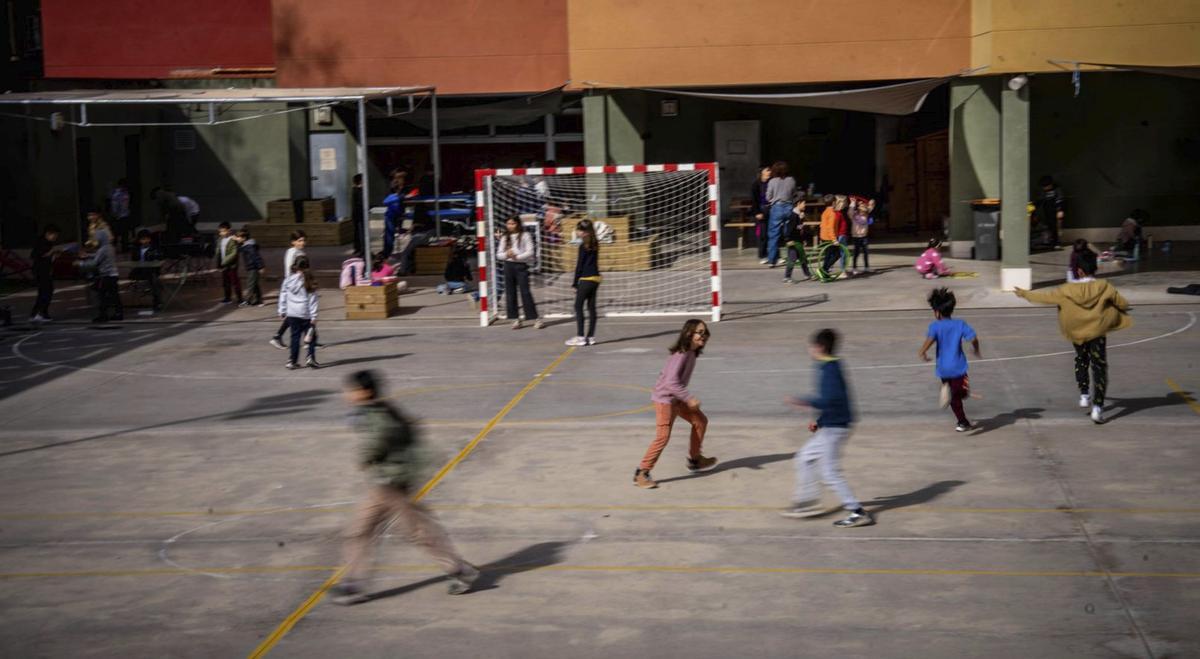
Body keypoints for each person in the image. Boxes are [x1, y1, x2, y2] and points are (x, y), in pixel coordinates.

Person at [328, 370, 479, 605]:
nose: (347, 394)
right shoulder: (381, 411)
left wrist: (365, 455)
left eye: (352, 390)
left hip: (393, 485)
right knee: (360, 530)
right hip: (382, 485)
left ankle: (460, 570)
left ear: (365, 392)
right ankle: (352, 584)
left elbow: (374, 446)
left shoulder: (381, 417)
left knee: (417, 532)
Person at [1013, 251, 1131, 424]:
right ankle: (1098, 408)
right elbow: (1123, 304)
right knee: (1099, 367)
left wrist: (1024, 293)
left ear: (1080, 271)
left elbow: (1044, 297)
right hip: (1097, 332)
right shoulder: (1105, 286)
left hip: (1077, 332)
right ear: (1095, 269)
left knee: (1081, 360)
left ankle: (1084, 394)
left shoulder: (1066, 289)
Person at [781, 329, 874, 527]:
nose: (809, 350)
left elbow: (829, 399)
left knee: (830, 472)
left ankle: (857, 512)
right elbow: (835, 401)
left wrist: (802, 401)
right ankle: (807, 502)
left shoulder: (830, 369)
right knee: (804, 458)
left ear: (820, 347)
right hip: (832, 424)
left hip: (836, 428)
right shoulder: (829, 365)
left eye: (811, 346)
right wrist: (820, 421)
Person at [633, 319, 717, 489]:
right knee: (662, 437)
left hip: (676, 399)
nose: (704, 335)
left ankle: (695, 460)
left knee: (700, 421)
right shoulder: (682, 354)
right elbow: (671, 382)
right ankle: (642, 472)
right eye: (700, 332)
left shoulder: (692, 353)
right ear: (689, 334)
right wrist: (689, 398)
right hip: (665, 400)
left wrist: (684, 398)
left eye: (705, 332)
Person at [918, 288, 981, 432]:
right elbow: (973, 338)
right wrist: (976, 349)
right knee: (961, 394)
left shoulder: (935, 326)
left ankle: (962, 421)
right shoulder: (960, 324)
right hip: (958, 368)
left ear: (937, 312)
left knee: (954, 399)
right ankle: (957, 394)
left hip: (943, 369)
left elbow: (930, 340)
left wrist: (922, 351)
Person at [498, 216, 543, 330]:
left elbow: (530, 252)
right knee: (510, 293)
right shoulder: (504, 237)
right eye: (508, 224)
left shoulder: (525, 235)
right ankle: (515, 319)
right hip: (508, 266)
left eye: (513, 223)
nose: (510, 226)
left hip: (521, 266)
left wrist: (517, 257)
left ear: (518, 224)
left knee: (525, 292)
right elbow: (499, 254)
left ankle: (536, 318)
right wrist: (506, 255)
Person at [278, 256, 320, 369]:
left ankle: (292, 360)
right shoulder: (309, 280)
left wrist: (282, 310)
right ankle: (310, 357)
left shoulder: (288, 280)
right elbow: (313, 299)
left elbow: (283, 295)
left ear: (295, 267)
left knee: (294, 337)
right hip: (305, 314)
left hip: (292, 313)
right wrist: (314, 315)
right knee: (312, 336)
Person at [566, 219, 601, 346]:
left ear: (586, 232)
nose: (577, 231)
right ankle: (591, 336)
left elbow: (579, 266)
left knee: (578, 306)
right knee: (591, 308)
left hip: (586, 279)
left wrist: (575, 283)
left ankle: (580, 336)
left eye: (580, 230)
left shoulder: (583, 246)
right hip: (596, 279)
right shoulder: (595, 243)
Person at [271, 231, 308, 350]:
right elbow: (289, 270)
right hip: (293, 286)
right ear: (293, 242)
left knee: (299, 313)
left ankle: (278, 337)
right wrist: (292, 286)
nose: (302, 243)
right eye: (299, 240)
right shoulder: (291, 252)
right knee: (298, 314)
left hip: (300, 284)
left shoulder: (301, 252)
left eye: (303, 240)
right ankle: (309, 340)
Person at [79, 225, 122, 323]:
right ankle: (119, 313)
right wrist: (89, 255)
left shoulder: (102, 249)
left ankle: (103, 315)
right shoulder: (110, 247)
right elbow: (100, 256)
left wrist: (81, 264)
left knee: (102, 295)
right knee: (114, 295)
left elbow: (95, 263)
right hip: (113, 274)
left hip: (105, 275)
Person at [764, 161, 797, 267]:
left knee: (774, 234)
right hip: (789, 207)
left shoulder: (772, 181)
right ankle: (792, 257)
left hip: (777, 208)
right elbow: (794, 194)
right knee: (789, 234)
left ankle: (772, 260)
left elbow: (768, 197)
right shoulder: (791, 180)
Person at [29, 224, 61, 322]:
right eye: (55, 235)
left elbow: (48, 257)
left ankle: (41, 313)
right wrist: (51, 252)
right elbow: (37, 255)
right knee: (44, 292)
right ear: (48, 234)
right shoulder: (41, 242)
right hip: (40, 271)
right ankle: (38, 313)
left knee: (48, 291)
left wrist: (54, 255)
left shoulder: (48, 243)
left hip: (46, 270)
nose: (56, 238)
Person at [129, 229, 163, 312]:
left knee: (154, 280)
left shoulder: (154, 249)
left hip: (151, 271)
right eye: (142, 239)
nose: (145, 241)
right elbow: (134, 260)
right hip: (139, 270)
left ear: (150, 239)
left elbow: (158, 260)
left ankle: (157, 301)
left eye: (146, 239)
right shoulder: (136, 249)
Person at [782, 200, 812, 283]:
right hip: (793, 241)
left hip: (798, 240)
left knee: (803, 258)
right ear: (798, 204)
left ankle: (807, 274)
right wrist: (788, 239)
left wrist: (803, 239)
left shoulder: (799, 215)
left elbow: (800, 228)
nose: (805, 205)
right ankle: (787, 277)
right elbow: (789, 229)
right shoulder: (793, 215)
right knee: (792, 258)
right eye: (804, 203)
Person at [820, 195, 849, 276]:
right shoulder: (832, 213)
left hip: (824, 236)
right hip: (830, 238)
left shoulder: (825, 211)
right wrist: (834, 239)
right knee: (837, 254)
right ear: (833, 203)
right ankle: (823, 270)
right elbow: (830, 228)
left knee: (828, 255)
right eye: (836, 202)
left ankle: (824, 273)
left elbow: (822, 225)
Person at [215, 222, 242, 305]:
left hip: (231, 265)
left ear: (228, 231)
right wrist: (219, 264)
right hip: (224, 265)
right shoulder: (220, 240)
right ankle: (227, 298)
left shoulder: (232, 239)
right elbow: (218, 252)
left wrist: (225, 261)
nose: (221, 233)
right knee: (226, 282)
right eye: (220, 231)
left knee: (235, 282)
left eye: (223, 231)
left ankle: (240, 298)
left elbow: (234, 252)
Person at [236, 228, 265, 307]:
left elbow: (256, 257)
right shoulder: (246, 245)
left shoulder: (250, 246)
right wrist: (237, 241)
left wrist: (261, 267)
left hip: (253, 268)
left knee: (250, 285)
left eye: (238, 237)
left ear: (244, 238)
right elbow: (239, 249)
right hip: (251, 268)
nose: (237, 238)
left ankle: (247, 301)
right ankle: (258, 301)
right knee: (255, 284)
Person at [750, 166, 772, 264]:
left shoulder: (771, 182)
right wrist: (757, 212)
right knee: (762, 234)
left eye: (770, 170)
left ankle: (774, 255)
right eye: (767, 170)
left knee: (772, 234)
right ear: (762, 172)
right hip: (760, 210)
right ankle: (762, 255)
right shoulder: (756, 184)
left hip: (771, 210)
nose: (769, 172)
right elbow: (754, 200)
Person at [1036, 175, 1065, 249]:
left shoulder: (1057, 189)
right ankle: (1049, 241)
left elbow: (1060, 199)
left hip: (1056, 211)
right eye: (1044, 187)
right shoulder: (1043, 191)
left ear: (1051, 184)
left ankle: (1057, 242)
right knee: (1048, 226)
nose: (1045, 188)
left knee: (1056, 227)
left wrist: (1060, 210)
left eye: (1046, 186)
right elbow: (1040, 200)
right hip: (1046, 211)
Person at [849, 197, 875, 275]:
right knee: (856, 253)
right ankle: (854, 268)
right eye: (862, 211)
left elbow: (871, 207)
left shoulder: (866, 214)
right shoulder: (853, 216)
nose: (863, 212)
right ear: (859, 210)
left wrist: (871, 202)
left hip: (864, 236)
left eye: (865, 211)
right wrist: (853, 203)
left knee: (866, 252)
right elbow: (850, 211)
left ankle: (866, 267)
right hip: (856, 237)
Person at [108, 179, 131, 251]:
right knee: (116, 233)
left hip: (125, 214)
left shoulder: (126, 193)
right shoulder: (117, 194)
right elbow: (115, 205)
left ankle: (125, 247)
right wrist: (115, 214)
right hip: (119, 216)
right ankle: (114, 248)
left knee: (125, 233)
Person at [351, 173, 366, 258]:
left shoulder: (354, 189)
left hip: (356, 214)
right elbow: (360, 203)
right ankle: (362, 249)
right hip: (359, 214)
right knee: (361, 232)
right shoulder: (359, 191)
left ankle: (357, 248)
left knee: (357, 232)